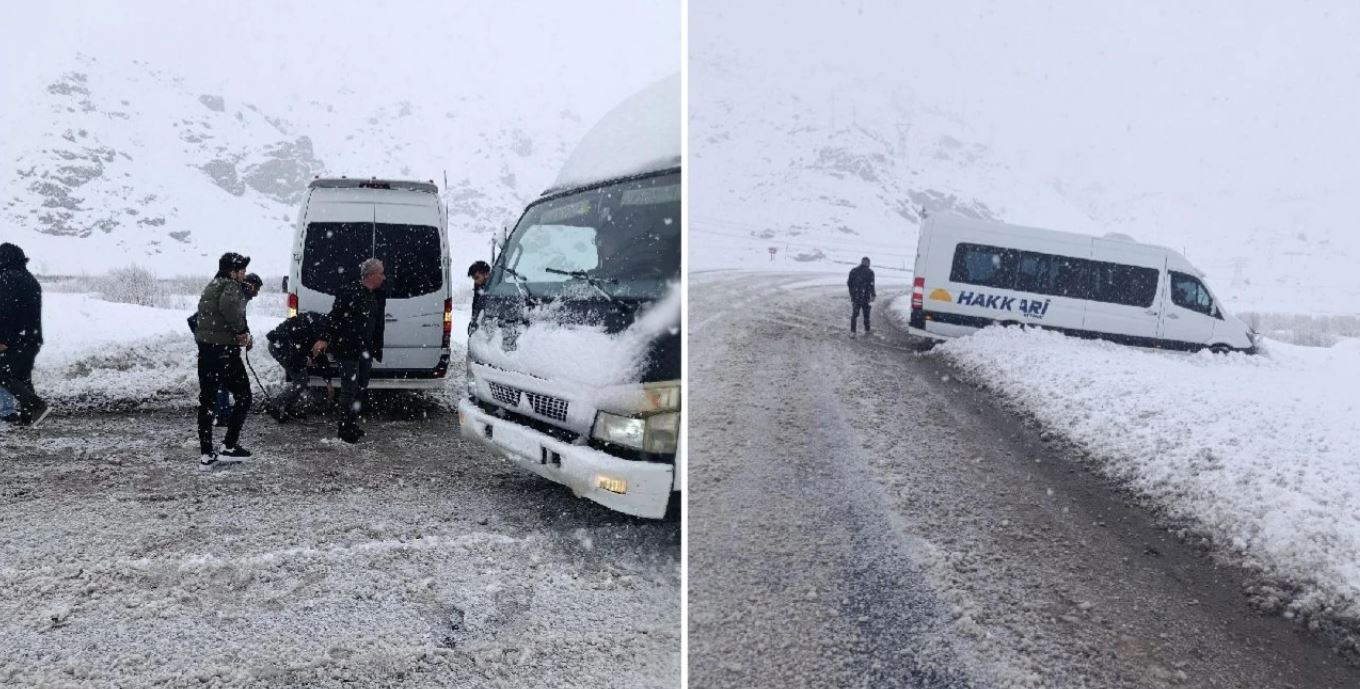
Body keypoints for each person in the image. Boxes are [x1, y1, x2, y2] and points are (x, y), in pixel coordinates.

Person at [312, 258, 386, 444]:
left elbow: (377, 324)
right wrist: (324, 338)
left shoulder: (376, 295)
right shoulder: (349, 292)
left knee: (361, 388)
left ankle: (352, 424)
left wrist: (375, 347)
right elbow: (334, 317)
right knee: (349, 390)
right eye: (381, 273)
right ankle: (343, 429)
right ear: (371, 275)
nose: (384, 277)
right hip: (347, 349)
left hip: (366, 350)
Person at [194, 252, 254, 465]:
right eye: (242, 270)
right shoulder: (230, 286)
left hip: (206, 351)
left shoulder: (212, 285)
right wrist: (241, 332)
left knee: (207, 401)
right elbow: (228, 307)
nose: (244, 274)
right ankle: (229, 446)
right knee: (244, 396)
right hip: (225, 352)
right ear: (232, 271)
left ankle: (206, 454)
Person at [0, 243, 50, 427]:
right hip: (32, 338)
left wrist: (2, 339)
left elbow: (6, 312)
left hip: (14, 339)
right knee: (22, 376)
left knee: (3, 375)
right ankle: (28, 417)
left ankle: (37, 406)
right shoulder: (30, 279)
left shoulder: (6, 278)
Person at [213, 273, 263, 425]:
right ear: (250, 285)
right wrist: (240, 335)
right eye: (256, 289)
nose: (256, 294)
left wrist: (246, 334)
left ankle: (222, 411)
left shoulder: (240, 296)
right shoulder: (236, 295)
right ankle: (221, 414)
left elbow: (241, 319)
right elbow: (228, 318)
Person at [264, 311, 329, 422]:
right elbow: (297, 355)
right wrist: (300, 362)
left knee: (301, 379)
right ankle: (274, 404)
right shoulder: (317, 327)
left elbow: (319, 355)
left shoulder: (320, 331)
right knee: (301, 380)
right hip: (281, 346)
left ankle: (288, 407)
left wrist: (328, 381)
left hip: (289, 346)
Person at [847, 256, 876, 336]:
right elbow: (872, 285)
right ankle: (867, 330)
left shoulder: (854, 271)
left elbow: (849, 283)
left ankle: (853, 331)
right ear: (868, 263)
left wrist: (852, 293)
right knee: (866, 314)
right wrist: (873, 295)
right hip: (866, 297)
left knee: (855, 314)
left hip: (856, 296)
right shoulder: (870, 272)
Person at [467, 260, 491, 333]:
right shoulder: (478, 285)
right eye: (474, 279)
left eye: (477, 277)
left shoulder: (498, 285)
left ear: (486, 274)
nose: (475, 281)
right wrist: (473, 321)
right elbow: (476, 304)